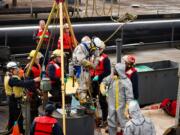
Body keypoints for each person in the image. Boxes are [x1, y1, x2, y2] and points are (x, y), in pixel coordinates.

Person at [4, 61, 40, 134]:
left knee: (13, 117)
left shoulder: (9, 76)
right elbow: (22, 83)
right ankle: (19, 132)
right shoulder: (12, 79)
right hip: (14, 101)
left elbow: (21, 81)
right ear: (11, 70)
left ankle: (11, 131)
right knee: (18, 118)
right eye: (15, 69)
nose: (17, 70)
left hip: (12, 100)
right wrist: (34, 80)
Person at [100, 63, 134, 135]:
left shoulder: (126, 82)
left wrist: (127, 109)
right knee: (111, 123)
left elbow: (129, 97)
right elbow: (104, 81)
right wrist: (102, 88)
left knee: (125, 124)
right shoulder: (112, 78)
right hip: (112, 106)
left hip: (122, 108)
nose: (113, 71)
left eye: (115, 70)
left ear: (119, 71)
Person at [71, 36, 98, 104]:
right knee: (83, 86)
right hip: (80, 69)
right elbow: (82, 60)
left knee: (88, 85)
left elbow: (95, 54)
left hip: (85, 69)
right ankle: (82, 101)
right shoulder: (80, 48)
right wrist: (92, 65)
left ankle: (80, 96)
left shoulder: (89, 47)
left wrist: (95, 61)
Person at [90, 37, 111, 127]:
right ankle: (95, 117)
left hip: (102, 82)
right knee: (92, 99)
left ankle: (105, 120)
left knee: (102, 102)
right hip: (93, 81)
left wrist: (98, 76)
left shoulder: (105, 59)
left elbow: (108, 71)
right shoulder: (93, 57)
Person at [24, 50, 43, 123]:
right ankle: (33, 125)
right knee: (33, 111)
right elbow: (29, 83)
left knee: (38, 109)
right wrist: (37, 91)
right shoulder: (29, 69)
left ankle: (37, 123)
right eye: (38, 58)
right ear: (33, 58)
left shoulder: (37, 65)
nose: (39, 59)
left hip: (37, 90)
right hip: (32, 92)